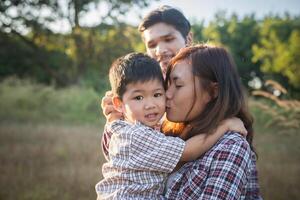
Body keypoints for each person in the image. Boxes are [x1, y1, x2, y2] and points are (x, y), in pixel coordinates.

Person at [95, 53, 247, 199]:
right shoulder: (134, 135)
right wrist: (224, 125)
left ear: (212, 92)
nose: (151, 104)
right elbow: (187, 151)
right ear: (118, 104)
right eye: (138, 97)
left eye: (157, 94)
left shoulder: (232, 146)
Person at [163, 44, 262, 199]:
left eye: (178, 85)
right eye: (168, 84)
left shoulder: (231, 147)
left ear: (213, 91)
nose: (167, 94)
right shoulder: (168, 132)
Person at [101, 5, 192, 123]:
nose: (160, 51)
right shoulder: (136, 86)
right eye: (152, 45)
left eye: (168, 39)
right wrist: (116, 122)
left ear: (188, 39)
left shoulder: (208, 80)